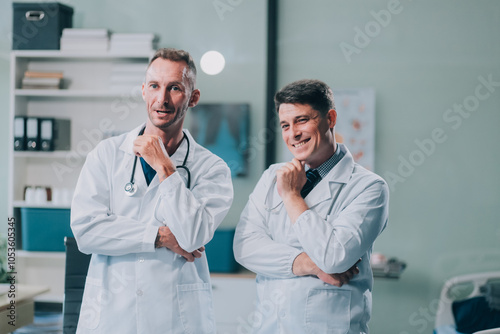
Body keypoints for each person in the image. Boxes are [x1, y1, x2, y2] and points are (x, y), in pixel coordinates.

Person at [71, 48, 233, 333]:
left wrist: (165, 168)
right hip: (113, 316)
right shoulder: (106, 154)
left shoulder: (212, 168)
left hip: (175, 319)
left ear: (193, 98)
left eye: (175, 88)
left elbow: (194, 235)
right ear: (144, 91)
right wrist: (159, 237)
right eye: (155, 86)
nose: (162, 99)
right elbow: (86, 230)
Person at [233, 79, 389, 333]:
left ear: (331, 118)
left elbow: (334, 257)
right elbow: (244, 247)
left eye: (302, 120)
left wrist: (292, 196)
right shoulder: (272, 176)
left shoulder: (369, 187)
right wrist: (311, 265)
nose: (293, 133)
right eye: (285, 125)